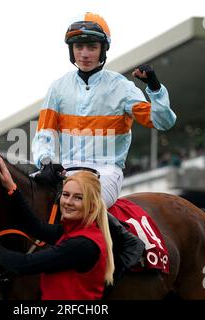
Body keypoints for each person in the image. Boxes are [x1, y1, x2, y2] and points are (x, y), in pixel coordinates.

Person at [32, 12, 177, 209]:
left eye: (92, 47)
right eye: (78, 47)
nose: (84, 54)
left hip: (105, 172)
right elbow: (44, 133)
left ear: (103, 50)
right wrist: (46, 162)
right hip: (65, 171)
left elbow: (163, 122)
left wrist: (154, 88)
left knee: (82, 206)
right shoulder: (58, 88)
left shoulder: (122, 87)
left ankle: (128, 240)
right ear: (71, 50)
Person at [0, 153, 114, 300]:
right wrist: (12, 188)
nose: (68, 202)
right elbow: (36, 227)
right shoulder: (73, 231)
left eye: (78, 197)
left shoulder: (82, 244)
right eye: (66, 195)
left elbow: (23, 265)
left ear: (92, 205)